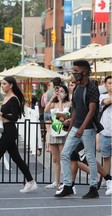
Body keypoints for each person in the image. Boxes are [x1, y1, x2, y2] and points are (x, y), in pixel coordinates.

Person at [55, 60, 101, 199]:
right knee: (65, 154)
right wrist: (71, 128)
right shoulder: (76, 88)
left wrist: (81, 128)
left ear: (84, 71)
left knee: (90, 158)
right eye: (73, 70)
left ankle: (93, 188)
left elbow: (91, 111)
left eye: (76, 70)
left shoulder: (92, 88)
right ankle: (68, 185)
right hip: (76, 128)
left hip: (88, 129)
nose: (74, 73)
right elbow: (75, 110)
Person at [44, 84, 71, 189]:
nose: (59, 93)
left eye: (62, 91)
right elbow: (46, 110)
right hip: (54, 131)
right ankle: (57, 181)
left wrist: (60, 101)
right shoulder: (53, 104)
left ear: (66, 93)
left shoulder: (68, 103)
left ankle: (66, 181)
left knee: (64, 157)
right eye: (58, 91)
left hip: (63, 132)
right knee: (55, 159)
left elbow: (62, 116)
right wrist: (52, 98)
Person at [99, 76, 112, 189]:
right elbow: (106, 102)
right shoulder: (102, 96)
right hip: (105, 132)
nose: (111, 85)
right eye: (110, 83)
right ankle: (107, 179)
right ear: (106, 85)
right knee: (106, 157)